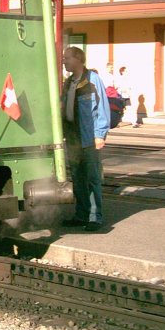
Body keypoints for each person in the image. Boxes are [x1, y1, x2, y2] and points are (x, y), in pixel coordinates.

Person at [61, 46, 110, 232]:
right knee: (78, 178)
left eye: (67, 58)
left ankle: (94, 218)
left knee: (92, 179)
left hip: (89, 138)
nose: (64, 61)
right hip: (72, 138)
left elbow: (102, 108)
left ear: (78, 59)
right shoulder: (68, 83)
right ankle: (81, 215)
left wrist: (100, 135)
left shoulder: (93, 80)